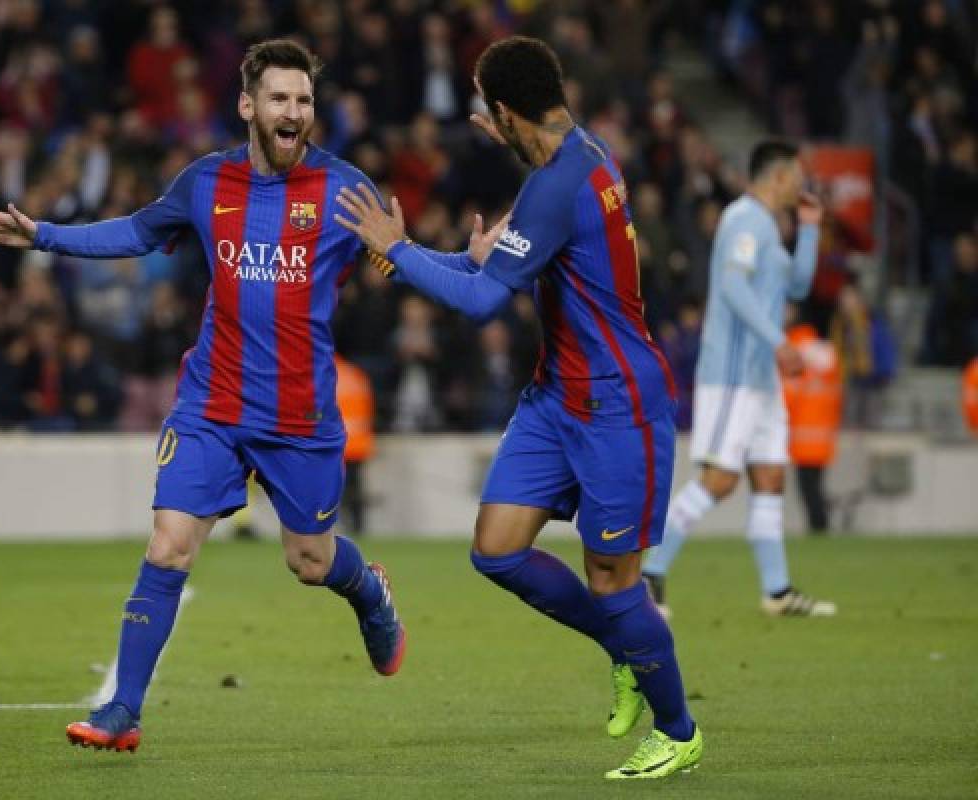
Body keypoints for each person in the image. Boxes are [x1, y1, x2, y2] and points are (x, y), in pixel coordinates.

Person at [0, 39, 407, 754]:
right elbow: (137, 232)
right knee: (169, 548)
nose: (295, 112)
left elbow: (403, 256)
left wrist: (436, 259)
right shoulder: (206, 183)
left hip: (299, 415)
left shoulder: (344, 191)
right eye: (281, 99)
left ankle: (370, 592)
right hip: (212, 406)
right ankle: (123, 712)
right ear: (248, 106)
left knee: (311, 563)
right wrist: (43, 234)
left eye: (305, 101)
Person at [337, 36, 702, 781]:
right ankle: (624, 649)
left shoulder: (555, 188)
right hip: (556, 396)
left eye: (489, 111)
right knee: (496, 548)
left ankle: (680, 730)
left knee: (615, 582)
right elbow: (484, 267)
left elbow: (478, 302)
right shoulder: (583, 154)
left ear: (505, 113)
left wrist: (395, 251)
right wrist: (410, 252)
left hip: (615, 407)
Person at [641, 140, 837, 618]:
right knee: (720, 479)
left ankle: (776, 591)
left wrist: (809, 230)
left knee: (770, 476)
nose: (801, 184)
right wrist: (777, 339)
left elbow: (797, 286)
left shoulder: (770, 227)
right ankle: (649, 574)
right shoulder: (743, 220)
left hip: (762, 376)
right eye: (796, 176)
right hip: (731, 373)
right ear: (778, 177)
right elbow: (730, 286)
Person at [783, 314, 843, 534]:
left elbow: (788, 395)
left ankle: (819, 527)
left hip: (802, 435)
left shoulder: (793, 351)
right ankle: (820, 525)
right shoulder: (828, 353)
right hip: (824, 434)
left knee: (808, 488)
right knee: (816, 485)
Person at [335, 353, 375, 535]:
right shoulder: (355, 374)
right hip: (359, 442)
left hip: (335, 444)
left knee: (335, 489)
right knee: (355, 487)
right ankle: (358, 526)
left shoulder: (320, 373)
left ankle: (338, 527)